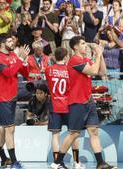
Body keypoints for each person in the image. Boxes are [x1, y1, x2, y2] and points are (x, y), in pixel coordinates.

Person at [52, 36, 116, 169]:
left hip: (88, 101)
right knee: (74, 133)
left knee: (93, 131)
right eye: (82, 44)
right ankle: (57, 162)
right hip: (77, 102)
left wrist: (101, 54)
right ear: (75, 47)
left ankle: (100, 163)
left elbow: (102, 71)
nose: (85, 46)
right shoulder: (74, 60)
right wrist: (97, 54)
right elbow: (93, 71)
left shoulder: (85, 59)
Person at [0, 33, 30, 169]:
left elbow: (25, 74)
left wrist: (24, 62)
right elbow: (8, 73)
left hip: (12, 97)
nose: (13, 43)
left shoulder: (13, 56)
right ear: (2, 43)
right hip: (2, 98)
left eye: (13, 40)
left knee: (4, 130)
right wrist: (20, 59)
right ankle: (14, 162)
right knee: (10, 129)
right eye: (9, 41)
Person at [45, 47, 84, 169]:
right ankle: (77, 162)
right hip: (69, 105)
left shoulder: (48, 70)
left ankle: (58, 163)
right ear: (66, 57)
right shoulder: (70, 70)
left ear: (55, 57)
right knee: (74, 133)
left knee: (55, 135)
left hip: (54, 105)